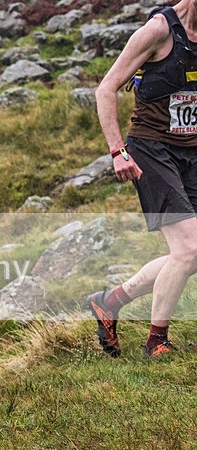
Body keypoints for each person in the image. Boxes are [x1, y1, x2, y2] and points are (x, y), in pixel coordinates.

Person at [88, 1, 197, 358]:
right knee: (188, 249)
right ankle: (156, 341)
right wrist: (118, 152)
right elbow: (105, 90)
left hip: (191, 153)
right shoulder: (159, 31)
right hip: (151, 150)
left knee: (191, 255)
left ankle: (110, 302)